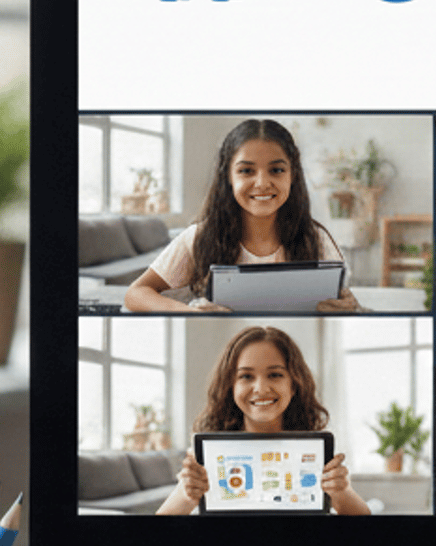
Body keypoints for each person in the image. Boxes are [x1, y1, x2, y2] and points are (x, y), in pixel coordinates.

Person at [124, 118, 362, 314]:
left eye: (276, 170)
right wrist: (191, 313)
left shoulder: (315, 238)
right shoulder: (198, 237)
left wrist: (345, 307)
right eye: (246, 171)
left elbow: (343, 303)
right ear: (228, 176)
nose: (262, 183)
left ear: (293, 175)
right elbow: (135, 294)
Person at [157, 325, 370, 515]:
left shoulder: (314, 450)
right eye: (246, 376)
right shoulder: (208, 453)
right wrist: (187, 496)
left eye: (275, 375)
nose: (261, 388)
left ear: (294, 384)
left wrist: (341, 492)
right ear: (231, 387)